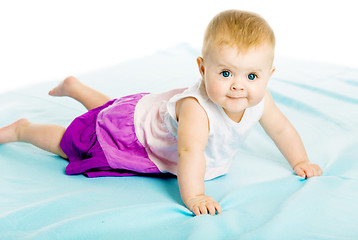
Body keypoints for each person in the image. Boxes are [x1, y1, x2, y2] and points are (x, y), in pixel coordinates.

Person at [0, 10, 322, 216]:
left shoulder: (261, 100)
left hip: (145, 113)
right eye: (225, 73)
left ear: (269, 74)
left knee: (107, 111)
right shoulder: (197, 110)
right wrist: (195, 196)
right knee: (75, 143)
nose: (238, 86)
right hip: (135, 137)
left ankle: (76, 88)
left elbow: (281, 129)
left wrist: (300, 161)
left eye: (252, 76)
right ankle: (22, 129)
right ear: (202, 67)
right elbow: (189, 152)